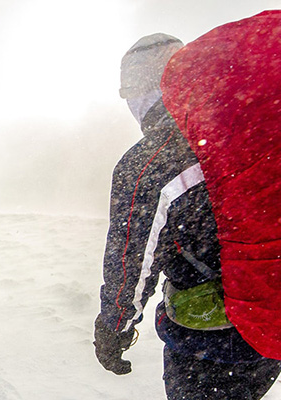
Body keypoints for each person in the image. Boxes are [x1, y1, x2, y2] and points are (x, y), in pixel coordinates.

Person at [94, 32, 281, 399]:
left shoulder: (151, 162)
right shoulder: (253, 129)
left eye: (129, 90)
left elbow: (132, 259)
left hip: (209, 343)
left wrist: (114, 329)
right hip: (269, 321)